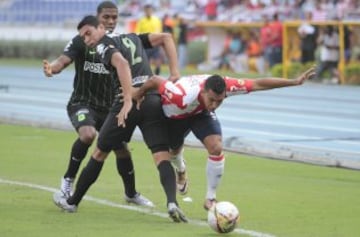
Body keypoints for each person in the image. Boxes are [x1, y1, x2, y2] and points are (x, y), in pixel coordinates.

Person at [53, 15, 187, 223]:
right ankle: (172, 202)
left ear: (101, 28)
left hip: (129, 102)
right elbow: (167, 38)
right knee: (161, 155)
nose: (87, 40)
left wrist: (126, 100)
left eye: (89, 33)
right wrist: (175, 72)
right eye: (83, 37)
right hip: (152, 99)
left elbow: (122, 64)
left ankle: (72, 202)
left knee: (99, 153)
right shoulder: (133, 37)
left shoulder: (104, 45)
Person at [133, 67, 316, 210]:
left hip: (200, 113)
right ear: (203, 91)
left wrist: (294, 81)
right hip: (175, 116)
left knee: (216, 147)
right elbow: (155, 80)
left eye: (219, 101)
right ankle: (181, 168)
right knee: (173, 152)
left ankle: (210, 199)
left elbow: (258, 83)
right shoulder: (180, 96)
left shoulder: (226, 87)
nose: (215, 105)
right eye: (212, 99)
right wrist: (137, 94)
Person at [43, 1, 153, 207]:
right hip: (82, 103)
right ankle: (67, 182)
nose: (111, 21)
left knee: (123, 150)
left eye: (114, 17)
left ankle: (131, 193)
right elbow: (64, 60)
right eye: (106, 18)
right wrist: (53, 68)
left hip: (110, 107)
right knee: (88, 134)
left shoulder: (119, 43)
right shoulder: (82, 40)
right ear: (98, 20)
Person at [135, 4, 163, 75]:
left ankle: (157, 74)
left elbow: (159, 32)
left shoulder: (156, 20)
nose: (148, 12)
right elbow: (137, 32)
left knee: (157, 61)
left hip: (155, 43)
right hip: (146, 43)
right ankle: (149, 76)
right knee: (147, 61)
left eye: (150, 10)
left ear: (152, 11)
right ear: (144, 11)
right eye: (147, 10)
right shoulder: (141, 21)